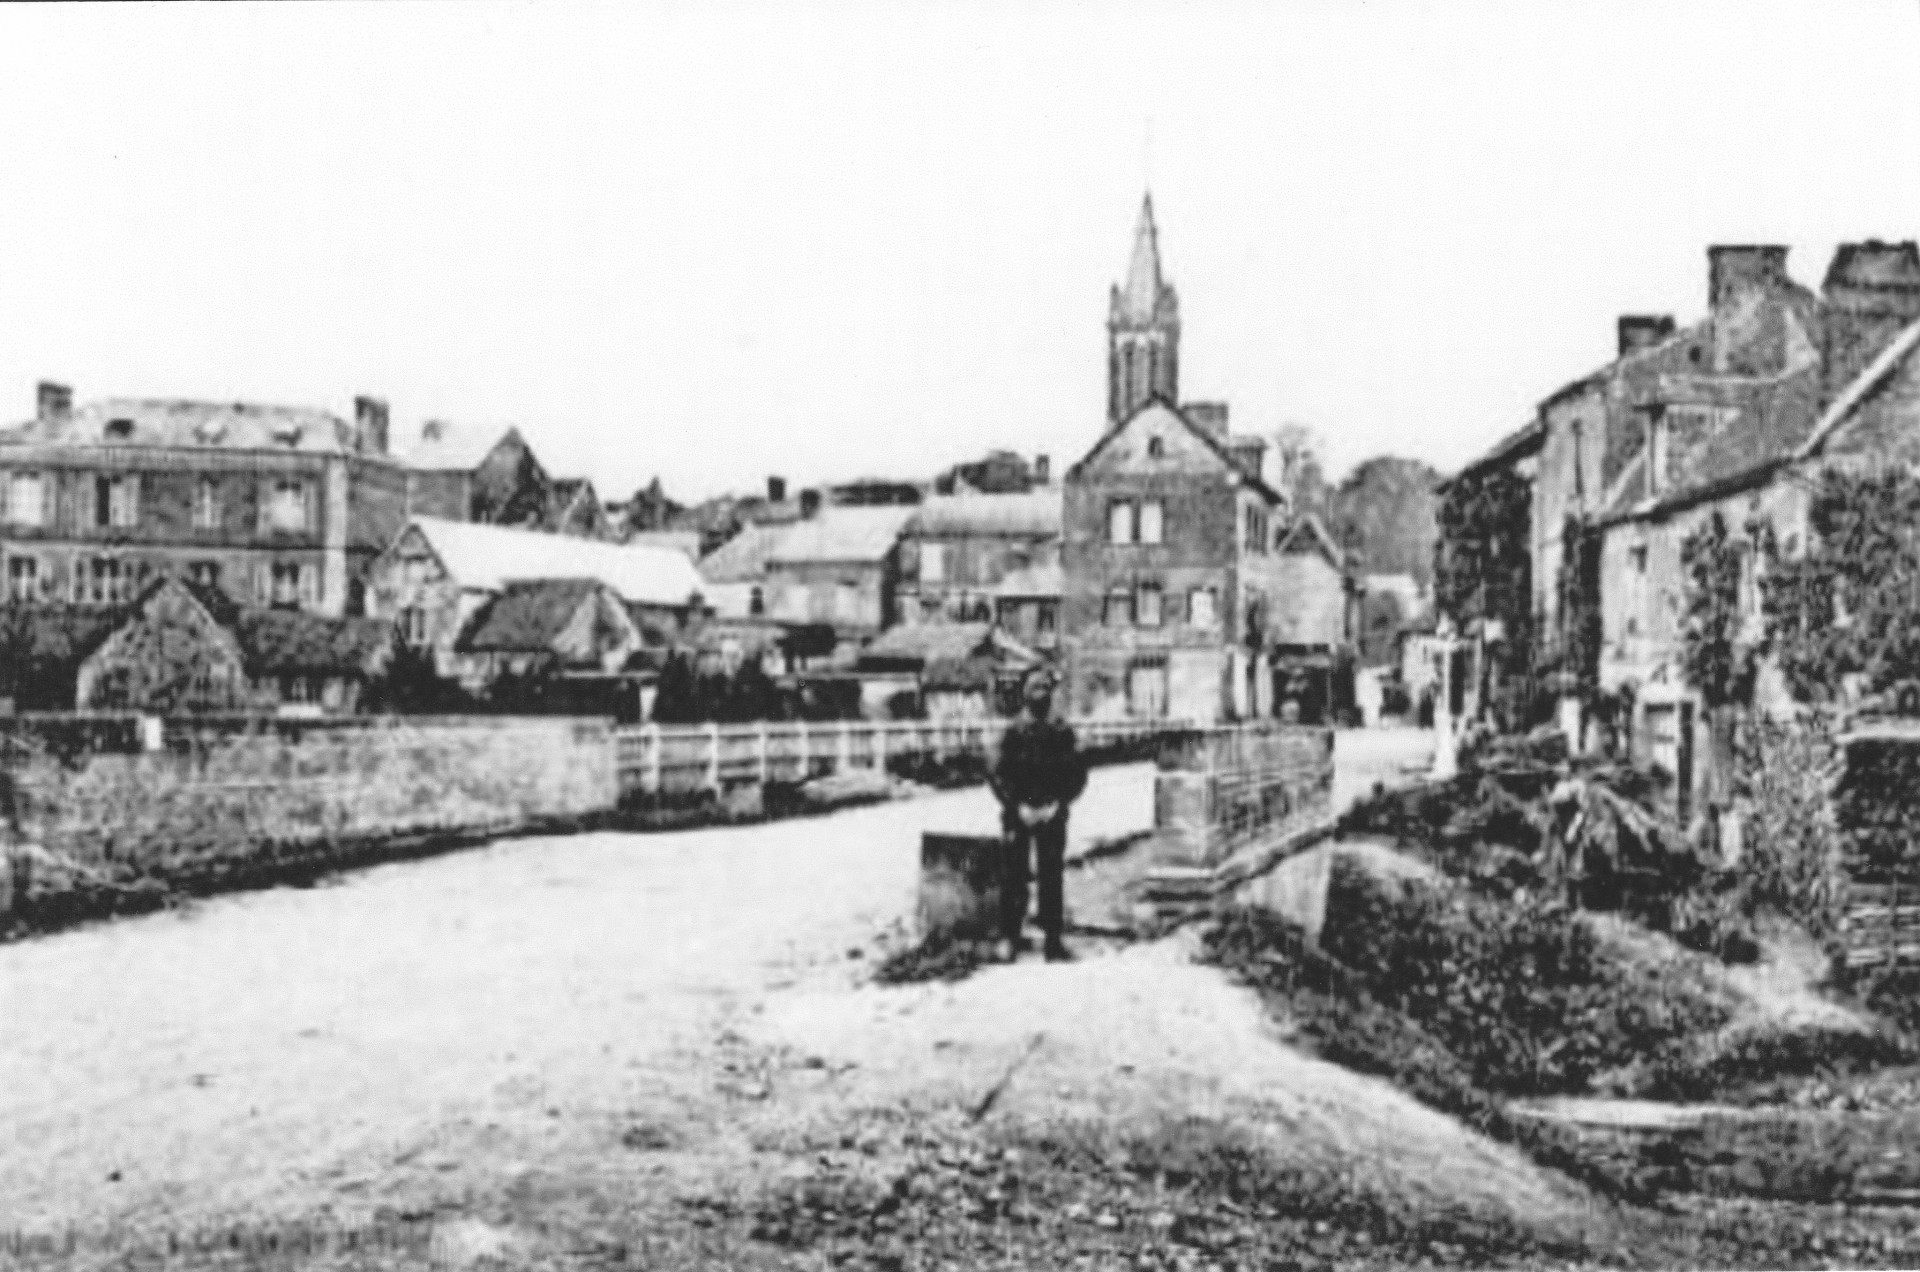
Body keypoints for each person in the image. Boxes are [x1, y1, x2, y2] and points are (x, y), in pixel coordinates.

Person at [987, 670, 1087, 962]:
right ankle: (1010, 937)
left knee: (1052, 876)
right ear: (1024, 693)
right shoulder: (1012, 731)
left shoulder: (1062, 730)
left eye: (1046, 687)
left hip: (1053, 812)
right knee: (1014, 876)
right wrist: (1016, 806)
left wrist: (1059, 803)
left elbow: (1077, 772)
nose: (1041, 693)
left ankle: (1053, 941)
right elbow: (997, 773)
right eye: (1035, 687)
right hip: (1018, 814)